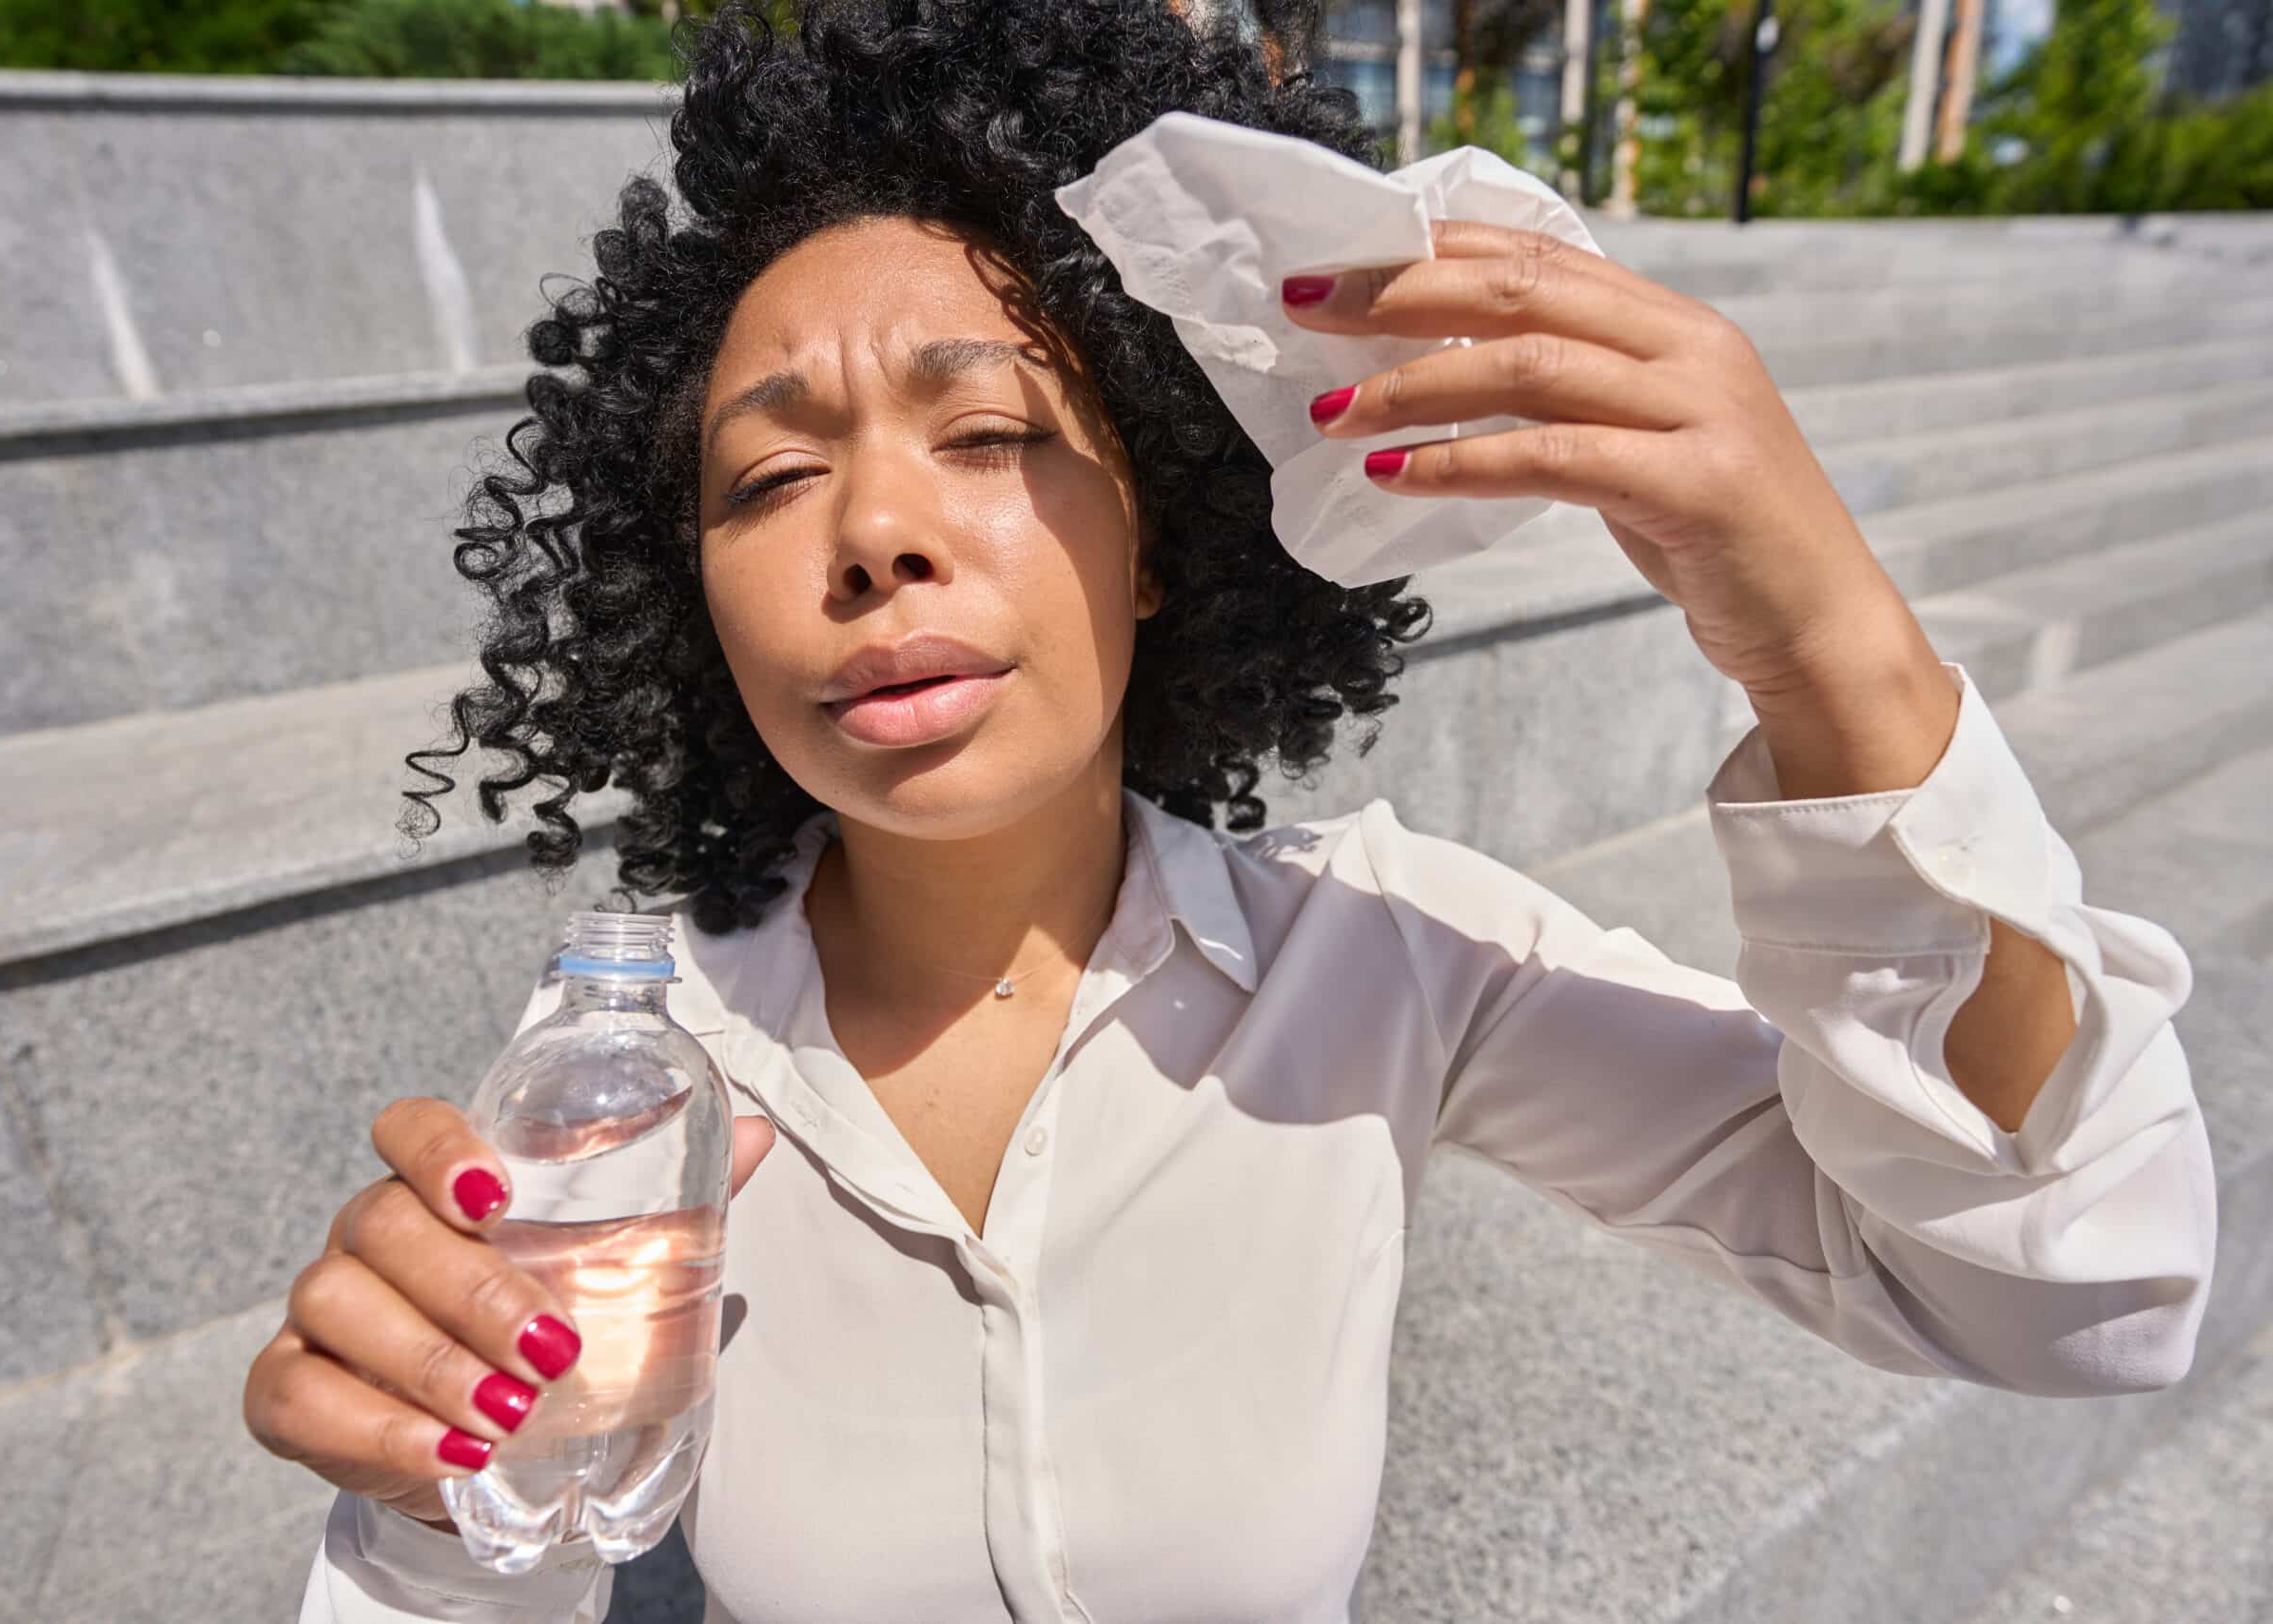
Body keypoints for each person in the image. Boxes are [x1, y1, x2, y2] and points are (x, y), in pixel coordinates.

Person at [242, 3, 2218, 1620]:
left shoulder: (1388, 958)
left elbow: (2053, 1282)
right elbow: (481, 1568)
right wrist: (418, 1491)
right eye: (766, 480)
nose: (873, 533)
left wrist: (1827, 643)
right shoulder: (630, 1073)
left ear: (1163, 532)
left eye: (991, 432)